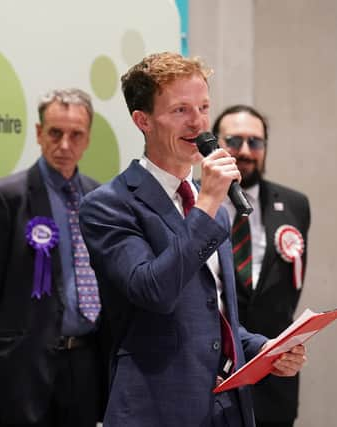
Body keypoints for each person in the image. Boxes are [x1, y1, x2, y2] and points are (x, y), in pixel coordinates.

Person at [78, 52, 307, 426]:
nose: (199, 123)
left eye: (203, 106)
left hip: (224, 409)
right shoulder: (107, 206)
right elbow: (155, 291)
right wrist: (206, 206)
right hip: (155, 409)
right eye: (180, 110)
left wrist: (262, 349)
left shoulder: (207, 201)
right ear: (143, 121)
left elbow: (209, 310)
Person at [0, 88, 104, 427]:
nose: (64, 145)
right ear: (39, 133)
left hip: (87, 364)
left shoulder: (101, 197)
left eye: (76, 135)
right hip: (23, 371)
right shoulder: (6, 198)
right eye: (55, 133)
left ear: (88, 140)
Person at [212, 104, 311, 427]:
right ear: (215, 144)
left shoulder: (295, 205)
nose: (245, 151)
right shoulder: (195, 202)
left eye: (255, 142)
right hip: (214, 373)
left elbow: (288, 291)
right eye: (234, 141)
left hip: (276, 375)